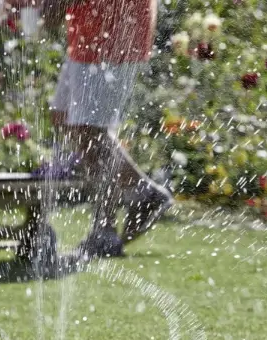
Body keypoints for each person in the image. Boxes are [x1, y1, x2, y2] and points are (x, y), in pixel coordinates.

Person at [39, 0, 174, 257]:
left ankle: (141, 196)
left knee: (88, 131)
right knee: (66, 121)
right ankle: (107, 227)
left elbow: (52, 13)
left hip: (107, 39)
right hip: (94, 37)